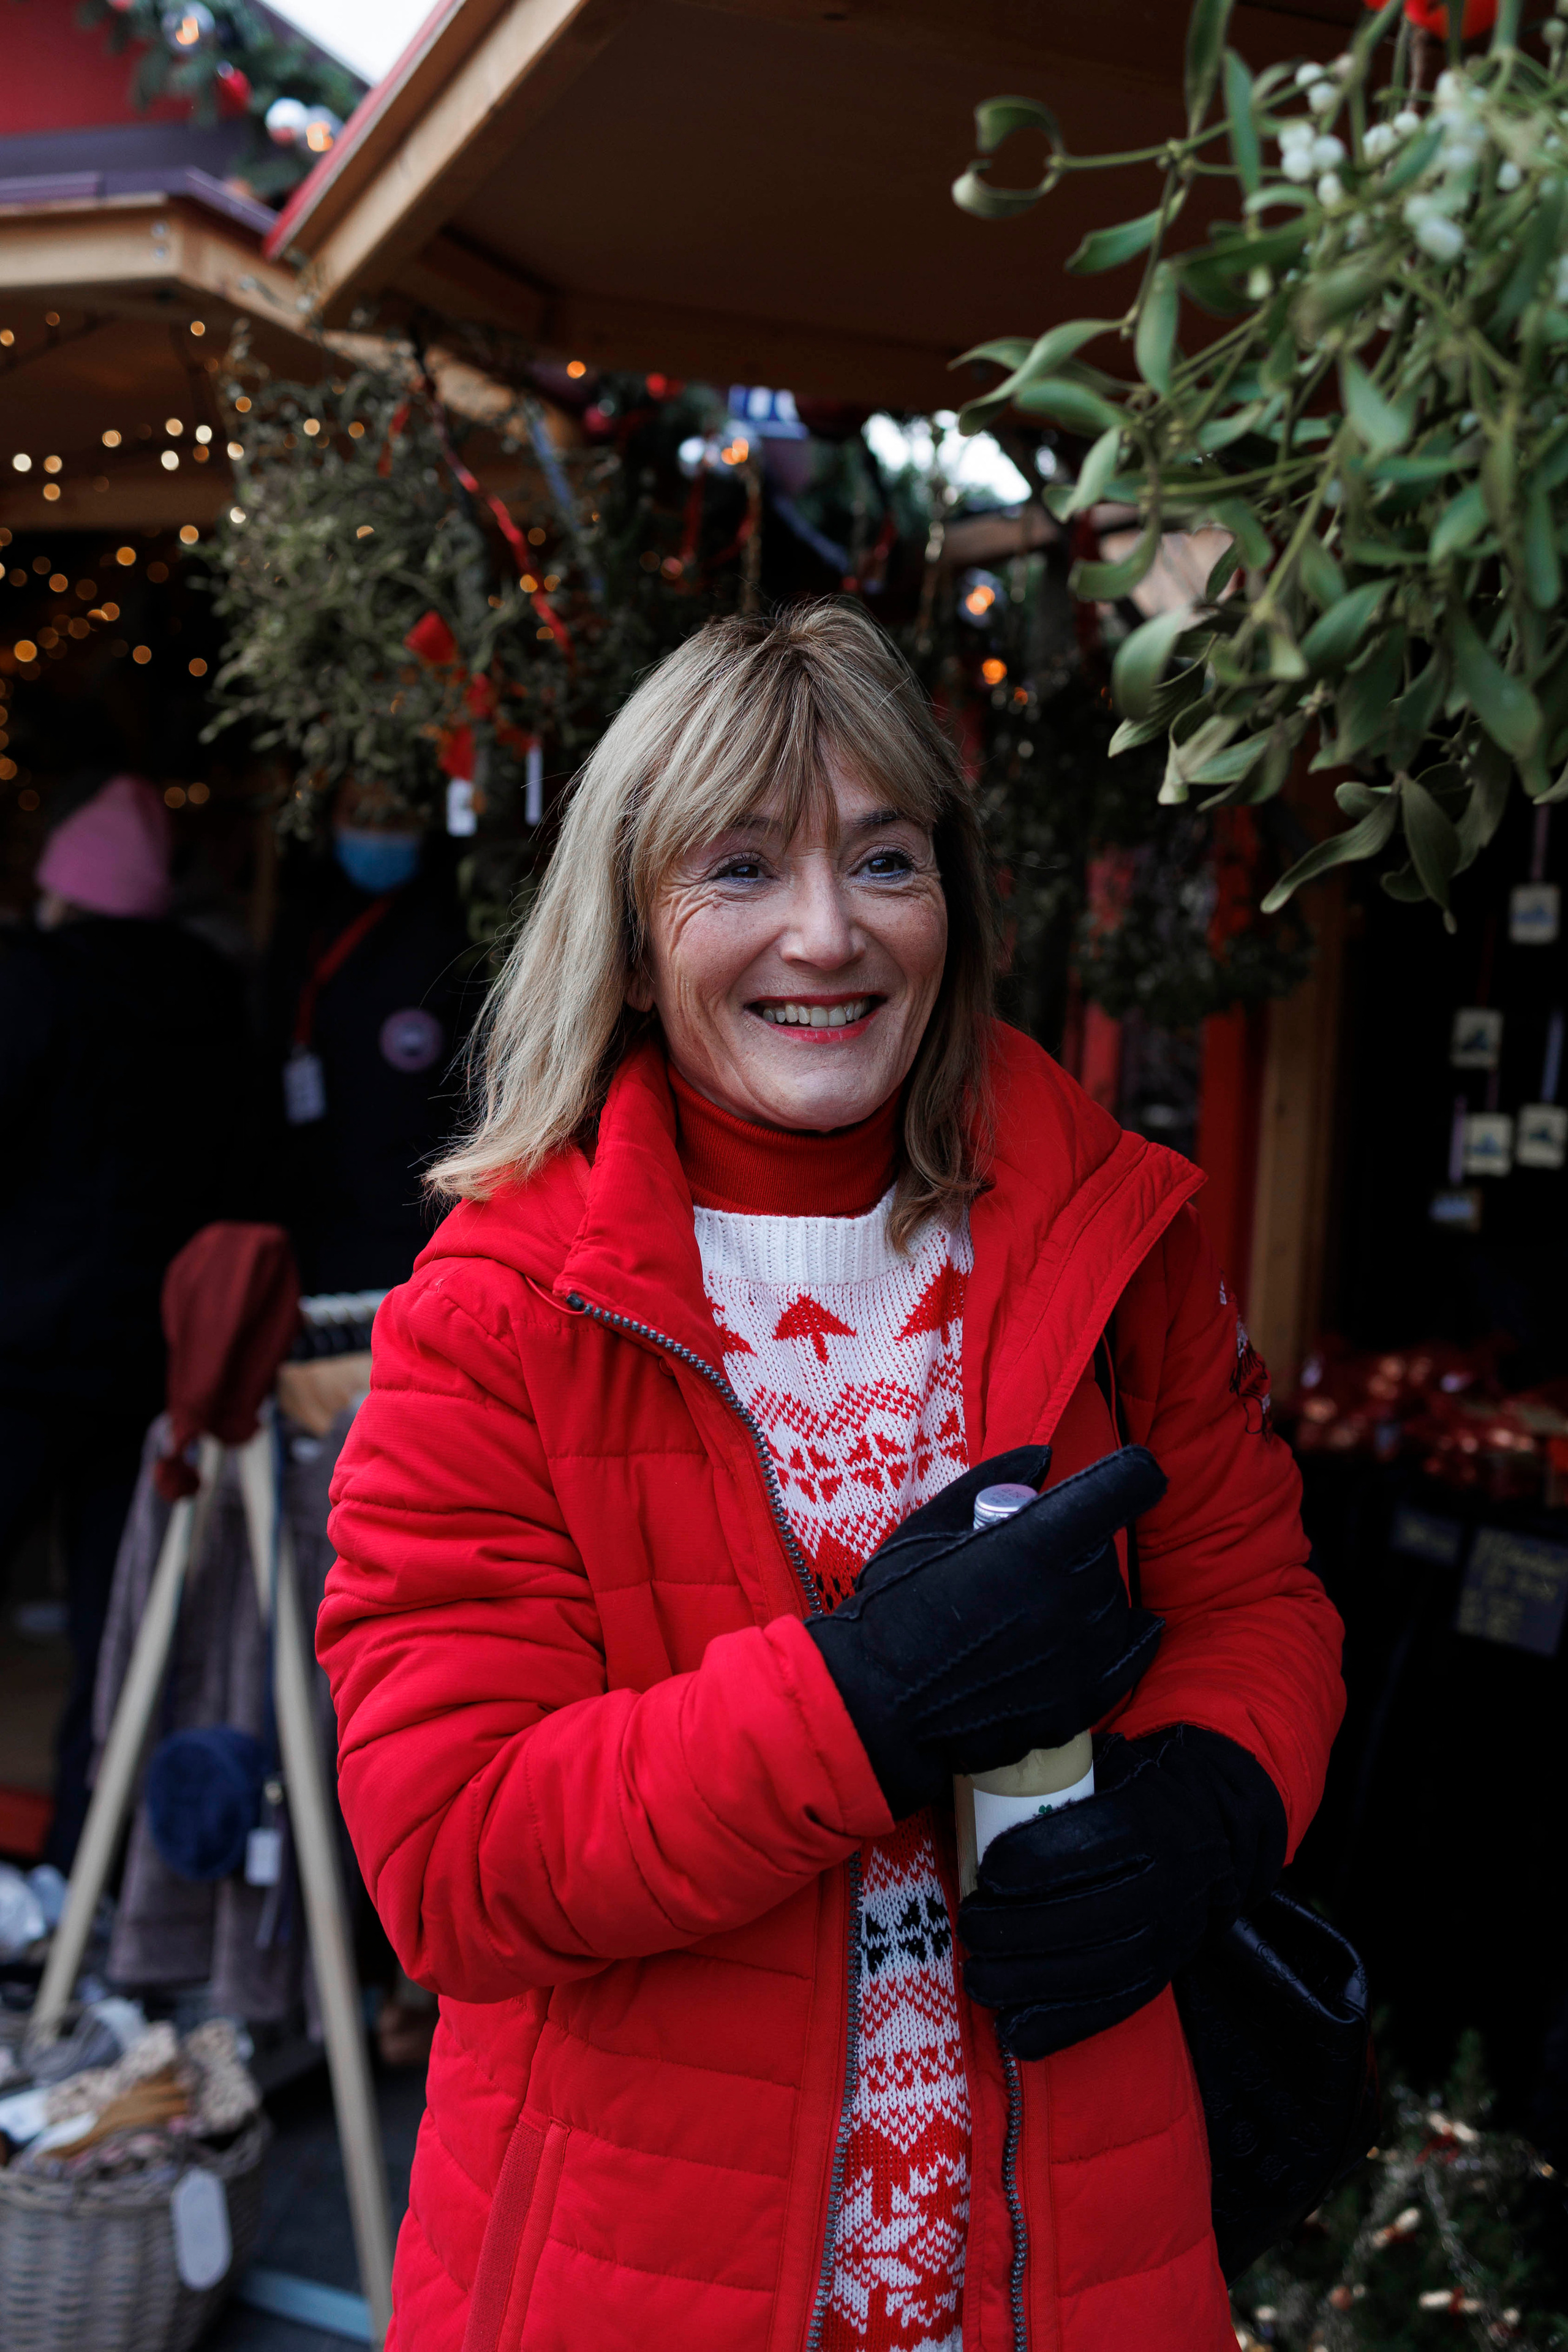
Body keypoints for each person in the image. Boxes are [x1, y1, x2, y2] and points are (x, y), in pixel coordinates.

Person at [318, 603, 1344, 2352]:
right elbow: (454, 1850)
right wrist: (865, 1700)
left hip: (1070, 2259)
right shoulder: (497, 1312)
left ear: (949, 903)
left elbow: (1257, 1601)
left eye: (883, 858)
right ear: (635, 938)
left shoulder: (1116, 1239)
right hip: (643, 2272)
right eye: (739, 868)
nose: (827, 931)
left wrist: (1203, 1812)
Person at [0, 774, 249, 1868]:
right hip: (151, 1349)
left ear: (65, 886)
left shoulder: (28, 984)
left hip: (17, 1337)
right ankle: (76, 1861)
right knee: (115, 1610)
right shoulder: (207, 988)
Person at [263, 780, 480, 1294]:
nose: (379, 832)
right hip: (316, 1201)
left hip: (420, 1213)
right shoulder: (305, 919)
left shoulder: (459, 924)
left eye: (396, 817)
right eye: (360, 814)